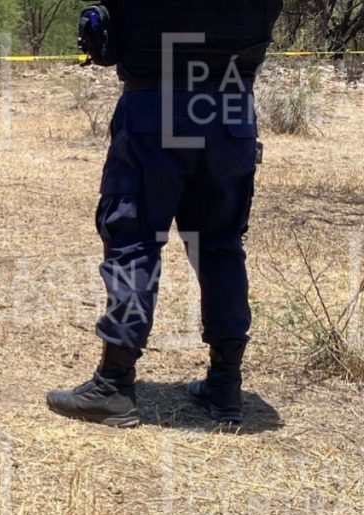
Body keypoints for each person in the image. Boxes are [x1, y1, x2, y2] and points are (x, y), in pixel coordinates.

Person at [47, 1, 283, 427]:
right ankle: (226, 385)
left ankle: (115, 383)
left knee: (134, 241)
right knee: (221, 247)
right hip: (230, 109)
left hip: (154, 104)